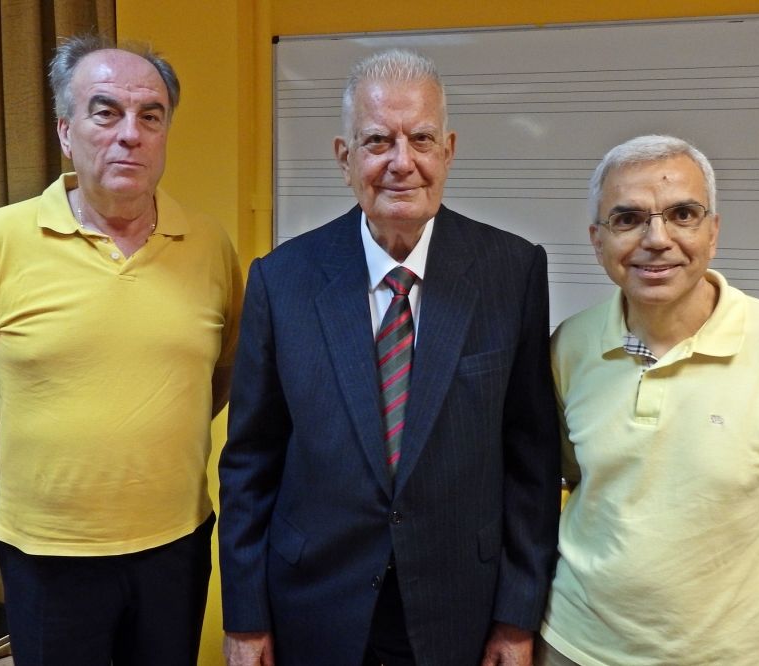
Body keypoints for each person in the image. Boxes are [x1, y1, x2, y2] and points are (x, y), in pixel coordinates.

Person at [218, 49, 561, 666]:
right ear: (344, 158)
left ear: (448, 150)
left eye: (421, 139)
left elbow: (530, 461)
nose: (402, 162)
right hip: (314, 602)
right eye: (377, 140)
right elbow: (250, 462)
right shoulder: (282, 280)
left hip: (461, 606)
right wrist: (244, 618)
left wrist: (517, 616)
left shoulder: (512, 273)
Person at [0, 34, 243, 666]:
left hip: (175, 545)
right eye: (106, 112)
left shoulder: (210, 244)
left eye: (150, 116)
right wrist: (33, 458)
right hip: (46, 551)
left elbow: (222, 373)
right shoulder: (1, 238)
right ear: (66, 132)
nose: (130, 134)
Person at [536, 135, 759, 666]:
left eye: (683, 215)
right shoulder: (569, 345)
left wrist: (719, 597)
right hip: (575, 646)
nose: (657, 239)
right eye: (628, 219)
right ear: (598, 240)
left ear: (713, 231)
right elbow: (579, 481)